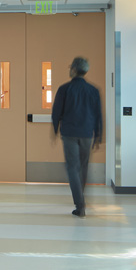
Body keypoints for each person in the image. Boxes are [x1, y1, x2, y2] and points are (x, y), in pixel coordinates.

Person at [51, 56, 102, 218]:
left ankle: (80, 205)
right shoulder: (93, 91)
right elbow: (98, 115)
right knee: (83, 167)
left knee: (72, 168)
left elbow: (56, 112)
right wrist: (98, 135)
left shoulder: (64, 89)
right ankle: (81, 201)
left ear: (73, 70)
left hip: (70, 134)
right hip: (87, 134)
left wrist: (55, 129)